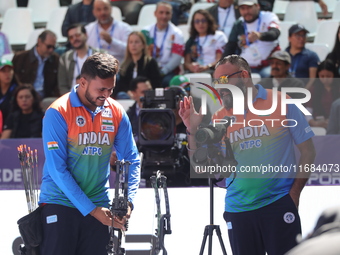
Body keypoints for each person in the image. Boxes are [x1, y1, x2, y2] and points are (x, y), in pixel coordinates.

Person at [178, 54, 316, 255]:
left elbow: (308, 151)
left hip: (278, 204)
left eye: (224, 80)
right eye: (216, 81)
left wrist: (294, 194)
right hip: (238, 210)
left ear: (243, 76)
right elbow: (201, 167)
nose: (219, 86)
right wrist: (192, 129)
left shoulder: (281, 101)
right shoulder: (220, 116)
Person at [38, 52, 140, 255]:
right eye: (101, 89)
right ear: (83, 82)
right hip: (60, 202)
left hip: (99, 204)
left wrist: (128, 201)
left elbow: (131, 160)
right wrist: (92, 210)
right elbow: (58, 169)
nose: (106, 95)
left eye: (111, 89)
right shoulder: (58, 111)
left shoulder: (117, 112)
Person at [223, 0, 280, 78]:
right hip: (246, 66)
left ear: (257, 6)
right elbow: (230, 46)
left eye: (249, 7)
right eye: (242, 8)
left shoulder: (268, 17)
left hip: (267, 65)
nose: (246, 11)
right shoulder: (239, 23)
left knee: (267, 77)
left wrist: (260, 36)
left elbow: (275, 33)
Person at [141, 1, 184, 87]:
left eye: (167, 13)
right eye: (161, 12)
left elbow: (177, 58)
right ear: (155, 13)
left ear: (171, 15)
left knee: (165, 83)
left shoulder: (177, 33)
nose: (164, 16)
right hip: (148, 70)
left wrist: (163, 71)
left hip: (168, 71)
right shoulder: (146, 32)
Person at [12, 30, 60, 100]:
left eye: (53, 47)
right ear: (39, 42)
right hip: (24, 98)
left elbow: (57, 85)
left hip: (46, 98)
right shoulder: (20, 57)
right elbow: (13, 80)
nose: (51, 50)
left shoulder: (55, 59)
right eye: (48, 46)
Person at [58, 23, 105, 95]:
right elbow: (62, 85)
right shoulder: (65, 58)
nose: (74, 39)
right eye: (71, 37)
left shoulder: (100, 55)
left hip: (95, 96)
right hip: (72, 97)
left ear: (85, 35)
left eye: (77, 35)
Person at [113, 31, 161, 98]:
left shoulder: (150, 62)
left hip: (146, 95)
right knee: (121, 95)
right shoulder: (125, 64)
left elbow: (155, 83)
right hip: (129, 95)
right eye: (131, 42)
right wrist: (129, 92)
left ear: (143, 45)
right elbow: (122, 85)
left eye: (136, 42)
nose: (133, 45)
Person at [184, 9, 227, 75]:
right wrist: (191, 67)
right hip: (195, 72)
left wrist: (207, 66)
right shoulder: (191, 40)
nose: (200, 24)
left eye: (203, 21)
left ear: (208, 22)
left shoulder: (218, 36)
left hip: (213, 70)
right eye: (197, 21)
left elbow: (220, 59)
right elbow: (186, 62)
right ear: (193, 24)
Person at [305, 59, 340, 130]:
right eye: (322, 76)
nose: (325, 79)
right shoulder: (313, 90)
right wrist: (315, 123)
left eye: (328, 76)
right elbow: (308, 113)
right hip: (319, 126)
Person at [286, 24, 319, 90]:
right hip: (284, 91)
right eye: (298, 35)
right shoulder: (283, 55)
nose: (301, 38)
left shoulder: (311, 55)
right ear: (289, 38)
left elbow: (313, 79)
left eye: (303, 35)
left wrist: (303, 93)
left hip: (303, 91)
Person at [0, 59, 18, 128]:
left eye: (10, 70)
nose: (7, 74)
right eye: (3, 71)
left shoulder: (18, 90)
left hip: (12, 126)